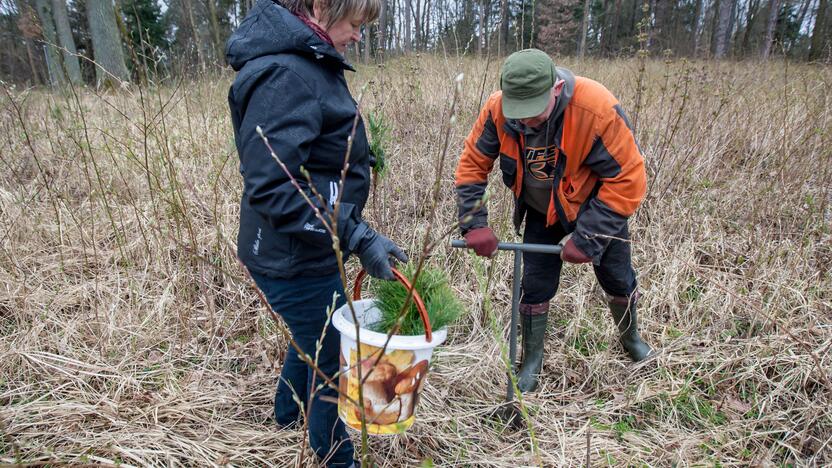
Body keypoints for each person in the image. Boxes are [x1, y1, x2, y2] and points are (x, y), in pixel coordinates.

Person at [226, 0, 406, 465]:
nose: (358, 35)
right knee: (333, 355)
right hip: (289, 252)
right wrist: (357, 234)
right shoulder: (286, 75)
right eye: (354, 22)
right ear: (322, 6)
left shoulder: (305, 61)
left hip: (305, 245)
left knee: (316, 329)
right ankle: (334, 456)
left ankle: (287, 417)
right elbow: (276, 187)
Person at [455, 49, 653, 393]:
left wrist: (588, 237)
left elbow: (629, 179)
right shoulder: (497, 109)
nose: (526, 121)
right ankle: (531, 360)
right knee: (534, 286)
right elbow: (472, 166)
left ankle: (631, 338)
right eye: (519, 112)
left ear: (556, 89)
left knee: (618, 278)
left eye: (534, 112)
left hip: (596, 209)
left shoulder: (596, 109)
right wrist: (474, 223)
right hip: (541, 211)